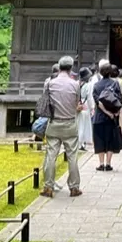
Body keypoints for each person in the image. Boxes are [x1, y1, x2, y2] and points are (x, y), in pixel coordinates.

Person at [40, 55, 84, 198]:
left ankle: (48, 187)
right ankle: (74, 187)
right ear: (71, 68)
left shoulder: (50, 84)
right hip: (70, 122)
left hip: (54, 122)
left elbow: (45, 101)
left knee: (51, 156)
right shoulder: (75, 84)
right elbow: (77, 102)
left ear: (59, 67)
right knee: (72, 156)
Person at [91, 63, 122, 171]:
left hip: (99, 116)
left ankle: (101, 163)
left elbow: (98, 102)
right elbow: (120, 99)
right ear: (110, 72)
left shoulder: (96, 85)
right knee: (110, 139)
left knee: (99, 139)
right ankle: (108, 164)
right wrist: (114, 113)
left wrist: (105, 112)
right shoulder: (115, 84)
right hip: (112, 117)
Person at [77, 67, 95, 151]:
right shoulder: (89, 85)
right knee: (84, 126)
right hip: (85, 105)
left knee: (78, 124)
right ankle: (82, 143)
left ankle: (78, 143)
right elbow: (90, 98)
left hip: (78, 106)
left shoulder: (77, 83)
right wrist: (92, 108)